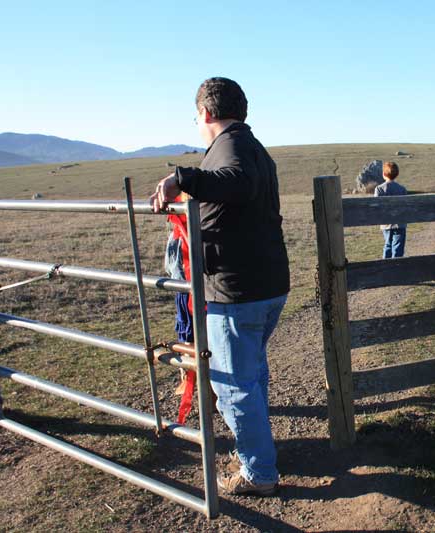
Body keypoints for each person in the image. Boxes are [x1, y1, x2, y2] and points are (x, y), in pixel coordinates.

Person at [150, 77, 290, 497]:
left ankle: (259, 472)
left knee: (232, 386)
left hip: (237, 292)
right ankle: (259, 453)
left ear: (206, 113)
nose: (197, 123)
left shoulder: (231, 148)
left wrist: (182, 178)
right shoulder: (251, 145)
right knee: (252, 376)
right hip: (264, 285)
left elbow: (237, 181)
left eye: (196, 117)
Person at [374, 161, 407, 258]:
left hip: (386, 223)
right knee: (398, 247)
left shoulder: (379, 189)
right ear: (397, 174)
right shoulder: (402, 189)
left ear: (383, 174)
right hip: (400, 223)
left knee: (387, 244)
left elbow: (376, 206)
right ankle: (397, 265)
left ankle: (386, 265)